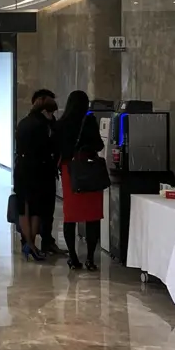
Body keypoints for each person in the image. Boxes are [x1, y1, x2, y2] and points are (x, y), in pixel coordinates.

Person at [55, 90, 105, 271]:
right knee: (92, 216)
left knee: (71, 215)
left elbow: (57, 148)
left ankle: (73, 258)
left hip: (70, 170)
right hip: (89, 169)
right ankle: (91, 259)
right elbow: (99, 145)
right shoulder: (89, 120)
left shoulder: (61, 123)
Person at [13, 89, 57, 261]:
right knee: (37, 209)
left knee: (24, 208)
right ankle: (31, 244)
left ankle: (27, 244)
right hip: (37, 170)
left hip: (21, 168)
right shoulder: (42, 126)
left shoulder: (23, 122)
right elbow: (47, 149)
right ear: (45, 111)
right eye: (51, 112)